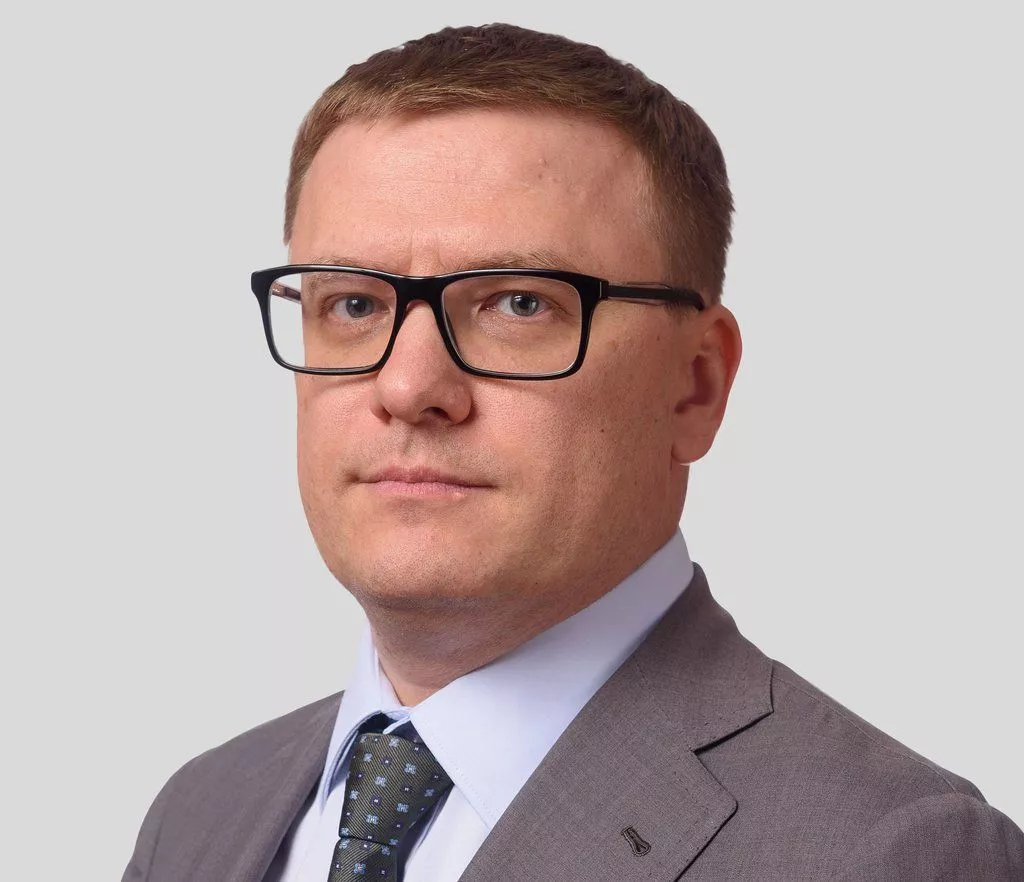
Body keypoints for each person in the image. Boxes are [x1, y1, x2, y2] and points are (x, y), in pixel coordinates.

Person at [122, 22, 1024, 882]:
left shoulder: (888, 852)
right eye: (353, 305)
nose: (408, 386)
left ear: (696, 385)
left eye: (520, 303)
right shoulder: (203, 813)